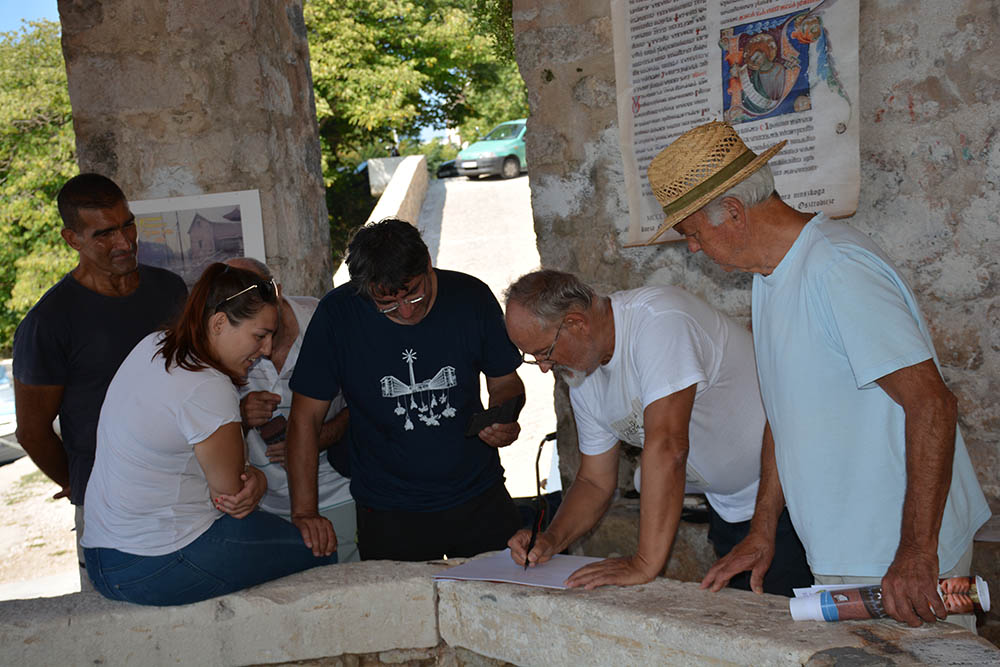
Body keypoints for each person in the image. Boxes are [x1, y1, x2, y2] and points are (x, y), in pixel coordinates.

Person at [646, 121, 990, 629]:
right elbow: (785, 414)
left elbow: (932, 404)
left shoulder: (835, 269)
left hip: (897, 555)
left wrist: (917, 551)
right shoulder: (770, 275)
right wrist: (763, 526)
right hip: (850, 550)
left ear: (734, 213)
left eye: (693, 234)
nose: (694, 249)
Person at [504, 269, 811, 594]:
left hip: (791, 496)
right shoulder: (583, 375)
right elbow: (594, 481)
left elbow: (669, 447)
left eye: (545, 351)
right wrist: (551, 539)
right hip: (729, 511)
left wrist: (645, 562)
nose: (543, 366)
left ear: (576, 323)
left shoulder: (659, 321)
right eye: (531, 356)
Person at [81, 263, 335, 606]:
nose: (265, 349)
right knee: (321, 549)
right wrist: (258, 480)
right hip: (156, 561)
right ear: (218, 323)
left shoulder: (155, 344)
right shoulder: (208, 386)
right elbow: (234, 498)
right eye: (259, 336)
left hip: (100, 555)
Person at [286, 218, 525, 561]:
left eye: (415, 292)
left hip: (478, 496)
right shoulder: (337, 315)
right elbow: (304, 419)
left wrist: (504, 415)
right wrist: (305, 512)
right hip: (387, 509)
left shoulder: (470, 297)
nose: (407, 310)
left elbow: (506, 381)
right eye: (387, 303)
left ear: (427, 262)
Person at [12, 173, 188, 587]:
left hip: (184, 482)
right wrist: (80, 484)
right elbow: (32, 432)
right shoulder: (48, 321)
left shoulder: (170, 289)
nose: (125, 242)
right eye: (104, 233)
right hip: (110, 503)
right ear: (72, 239)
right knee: (118, 620)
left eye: (127, 224)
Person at [226, 257, 358, 564]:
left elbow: (365, 398)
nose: (267, 350)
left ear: (278, 291)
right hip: (266, 505)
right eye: (256, 336)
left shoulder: (324, 320)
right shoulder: (222, 343)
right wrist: (241, 416)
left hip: (340, 493)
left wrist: (319, 435)